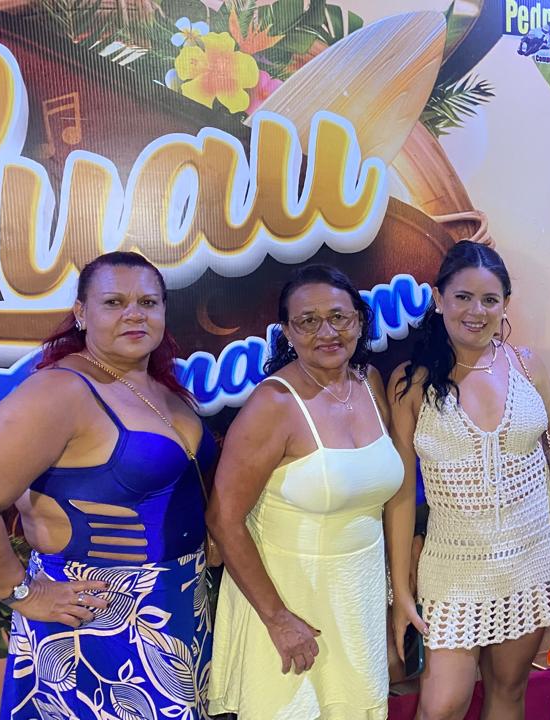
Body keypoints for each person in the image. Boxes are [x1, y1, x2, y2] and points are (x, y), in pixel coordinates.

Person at [0, 251, 214, 719]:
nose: (134, 314)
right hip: (101, 619)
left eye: (148, 302)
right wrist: (23, 594)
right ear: (81, 313)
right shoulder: (60, 392)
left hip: (180, 605)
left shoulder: (157, 384)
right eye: (114, 302)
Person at [388, 240, 550, 720]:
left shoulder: (526, 364)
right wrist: (401, 588)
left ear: (505, 304)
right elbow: (401, 492)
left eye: (490, 299)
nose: (476, 311)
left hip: (531, 556)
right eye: (463, 297)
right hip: (454, 568)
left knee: (508, 689)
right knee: (442, 704)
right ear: (439, 299)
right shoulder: (411, 382)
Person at [207, 265, 402, 719]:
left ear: (360, 320)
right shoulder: (273, 404)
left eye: (339, 317)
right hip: (289, 606)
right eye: (308, 321)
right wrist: (278, 619)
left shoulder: (369, 383)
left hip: (357, 599)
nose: (327, 332)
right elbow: (222, 518)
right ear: (287, 333)